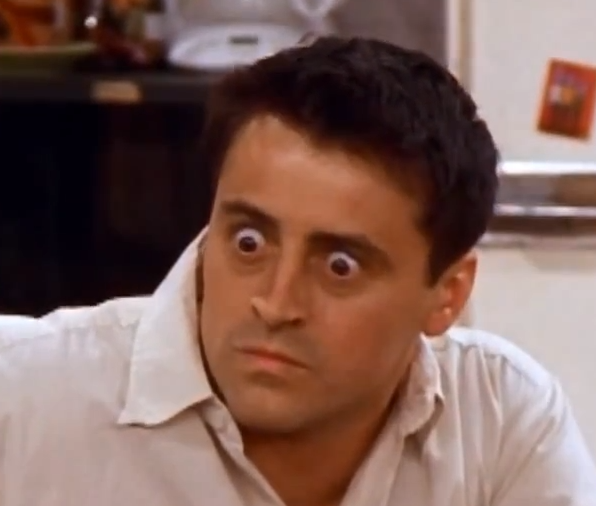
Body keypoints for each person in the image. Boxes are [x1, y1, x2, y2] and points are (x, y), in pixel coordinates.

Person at [1, 36, 595, 506]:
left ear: (448, 293)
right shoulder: (23, 396)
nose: (276, 303)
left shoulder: (501, 423)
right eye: (250, 242)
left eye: (340, 265)